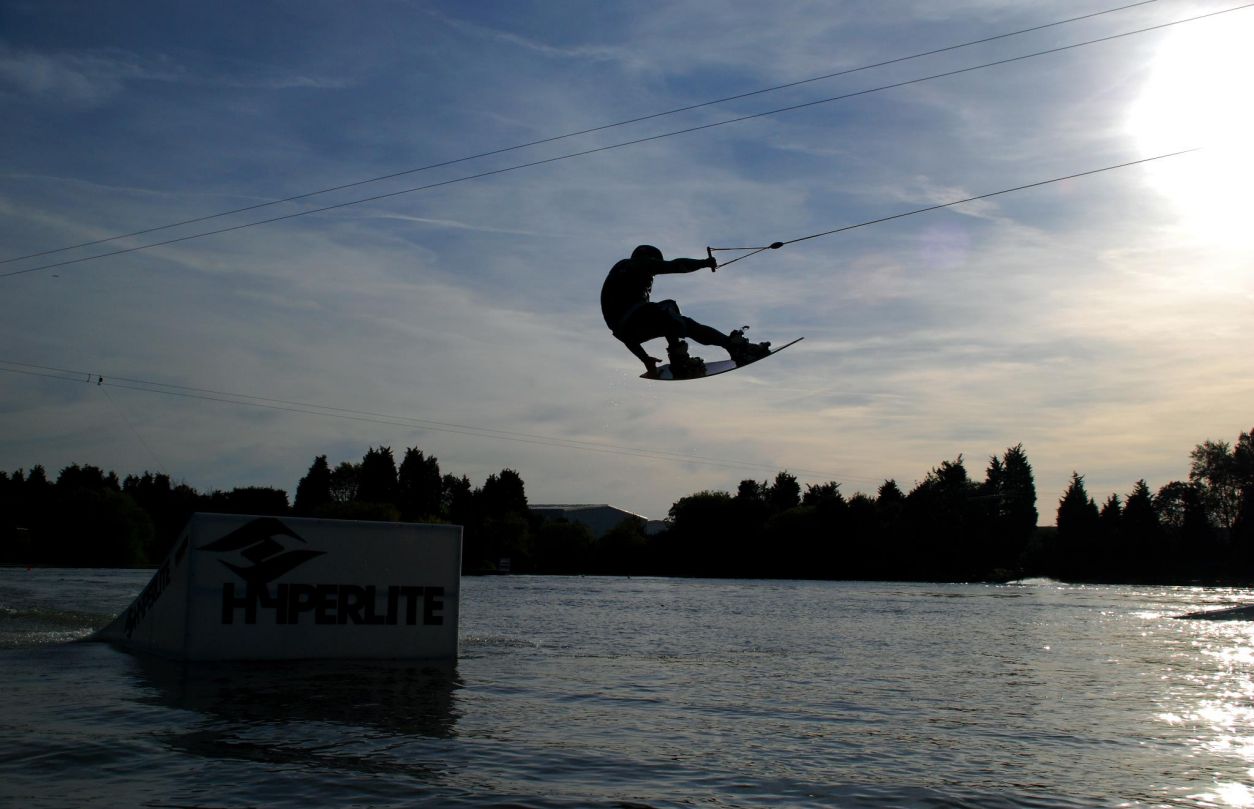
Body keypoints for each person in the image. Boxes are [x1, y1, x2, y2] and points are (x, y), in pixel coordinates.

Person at [601, 244, 771, 378]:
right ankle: (680, 359)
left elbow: (624, 336)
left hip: (630, 329)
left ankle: (730, 346)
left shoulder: (627, 284)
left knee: (684, 323)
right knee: (669, 307)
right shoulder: (634, 264)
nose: (652, 278)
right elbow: (676, 265)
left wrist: (645, 359)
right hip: (632, 320)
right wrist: (704, 263)